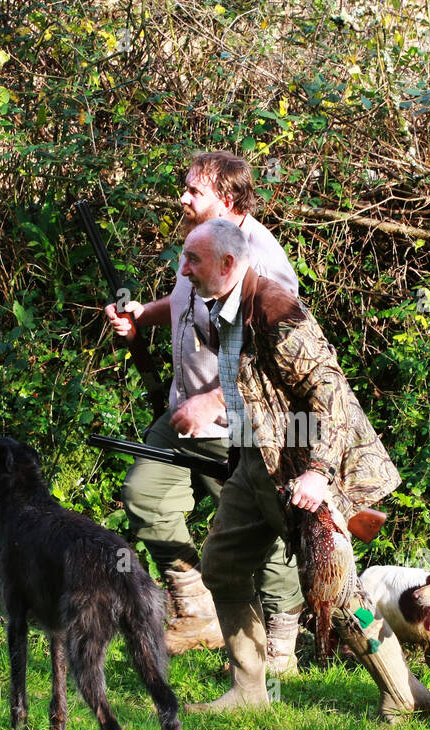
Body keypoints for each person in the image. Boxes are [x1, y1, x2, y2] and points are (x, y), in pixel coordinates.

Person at [179, 217, 430, 721]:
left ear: (228, 264)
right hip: (256, 464)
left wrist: (318, 473)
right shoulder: (222, 307)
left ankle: (407, 697)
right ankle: (248, 691)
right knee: (223, 566)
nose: (182, 268)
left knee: (335, 593)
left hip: (309, 468)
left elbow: (329, 392)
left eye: (193, 260)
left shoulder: (275, 309)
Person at [104, 152, 304, 676]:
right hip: (181, 413)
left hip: (240, 425)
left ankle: (283, 641)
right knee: (146, 493)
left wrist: (214, 401)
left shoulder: (262, 260)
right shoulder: (201, 242)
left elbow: (274, 353)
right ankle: (196, 610)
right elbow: (185, 300)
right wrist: (141, 317)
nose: (183, 199)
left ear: (230, 200)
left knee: (263, 528)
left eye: (195, 191)